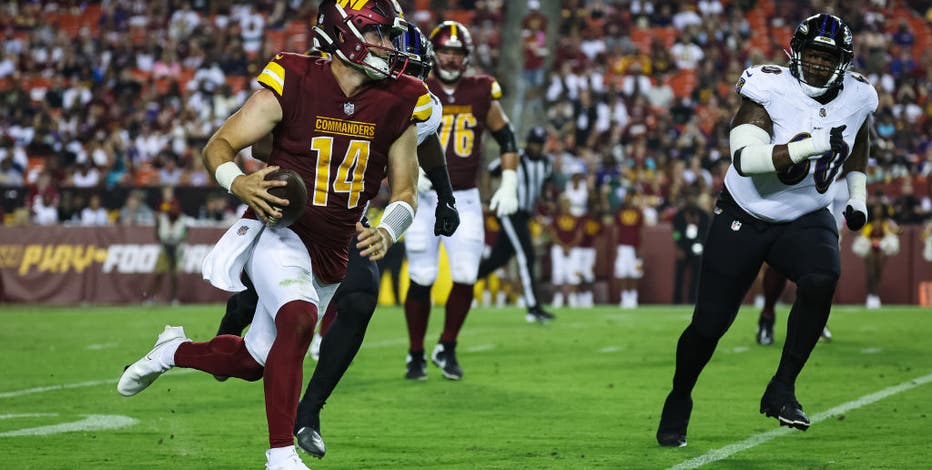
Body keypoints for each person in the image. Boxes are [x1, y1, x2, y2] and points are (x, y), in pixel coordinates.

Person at [117, 3, 427, 469]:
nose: (390, 46)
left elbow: (405, 189)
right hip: (280, 229)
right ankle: (280, 456)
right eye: (381, 35)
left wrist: (389, 228)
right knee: (300, 319)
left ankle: (173, 350)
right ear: (347, 35)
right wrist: (237, 181)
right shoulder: (295, 76)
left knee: (252, 363)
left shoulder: (401, 98)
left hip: (335, 248)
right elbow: (219, 145)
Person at [213, 21, 458, 459]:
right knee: (265, 315)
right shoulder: (312, 82)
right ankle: (233, 322)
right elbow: (260, 148)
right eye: (388, 48)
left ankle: (310, 410)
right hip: (297, 214)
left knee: (361, 297)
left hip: (351, 218)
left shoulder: (408, 100)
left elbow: (424, 143)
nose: (409, 74)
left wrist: (444, 196)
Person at [657, 13, 876, 447]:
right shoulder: (766, 86)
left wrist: (857, 196)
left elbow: (858, 140)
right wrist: (810, 145)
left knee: (823, 276)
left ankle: (782, 387)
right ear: (795, 53)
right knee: (709, 325)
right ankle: (680, 396)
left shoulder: (860, 95)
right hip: (746, 211)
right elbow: (746, 160)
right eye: (810, 54)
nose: (815, 64)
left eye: (825, 57)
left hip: (805, 214)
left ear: (843, 63)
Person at [403, 20, 520, 381]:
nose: (451, 59)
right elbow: (394, 135)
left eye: (458, 53)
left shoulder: (481, 89)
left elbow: (507, 139)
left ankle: (447, 345)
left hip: (465, 196)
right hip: (423, 196)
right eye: (446, 51)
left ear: (466, 57)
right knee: (422, 275)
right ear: (435, 53)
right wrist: (410, 171)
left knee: (467, 275)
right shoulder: (417, 85)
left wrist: (510, 180)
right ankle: (416, 353)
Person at [476, 126, 555, 322]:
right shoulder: (516, 157)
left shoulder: (545, 164)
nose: (536, 147)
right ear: (528, 142)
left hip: (525, 214)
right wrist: (487, 198)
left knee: (498, 259)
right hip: (510, 211)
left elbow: (544, 187)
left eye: (539, 144)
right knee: (526, 254)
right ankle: (533, 307)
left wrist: (546, 202)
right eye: (534, 143)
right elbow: (490, 170)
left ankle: (464, 281)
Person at [851, 200, 900, 309]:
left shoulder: (887, 223)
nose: (877, 210)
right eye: (875, 208)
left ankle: (876, 295)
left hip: (882, 249)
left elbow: (898, 231)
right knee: (871, 272)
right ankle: (871, 295)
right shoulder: (868, 223)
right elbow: (860, 233)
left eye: (879, 208)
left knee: (878, 272)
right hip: (870, 249)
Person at [144, 198, 189, 305]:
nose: (172, 210)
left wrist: (175, 243)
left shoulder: (183, 220)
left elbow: (184, 235)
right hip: (164, 249)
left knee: (174, 276)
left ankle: (174, 299)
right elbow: (157, 234)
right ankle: (151, 297)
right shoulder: (162, 218)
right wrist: (166, 242)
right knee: (158, 274)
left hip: (177, 250)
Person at [671, 189, 709, 305]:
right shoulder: (680, 215)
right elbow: (675, 233)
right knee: (679, 276)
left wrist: (702, 244)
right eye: (689, 197)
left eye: (693, 197)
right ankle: (677, 301)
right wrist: (678, 246)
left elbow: (706, 231)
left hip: (697, 248)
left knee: (697, 277)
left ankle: (693, 301)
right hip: (683, 248)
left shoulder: (703, 215)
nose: (691, 200)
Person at [612, 193, 644, 309]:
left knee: (634, 273)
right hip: (622, 246)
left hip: (635, 247)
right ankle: (624, 297)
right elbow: (616, 230)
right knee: (623, 273)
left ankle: (633, 297)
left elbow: (641, 230)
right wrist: (616, 246)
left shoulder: (638, 212)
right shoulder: (619, 212)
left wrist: (640, 247)